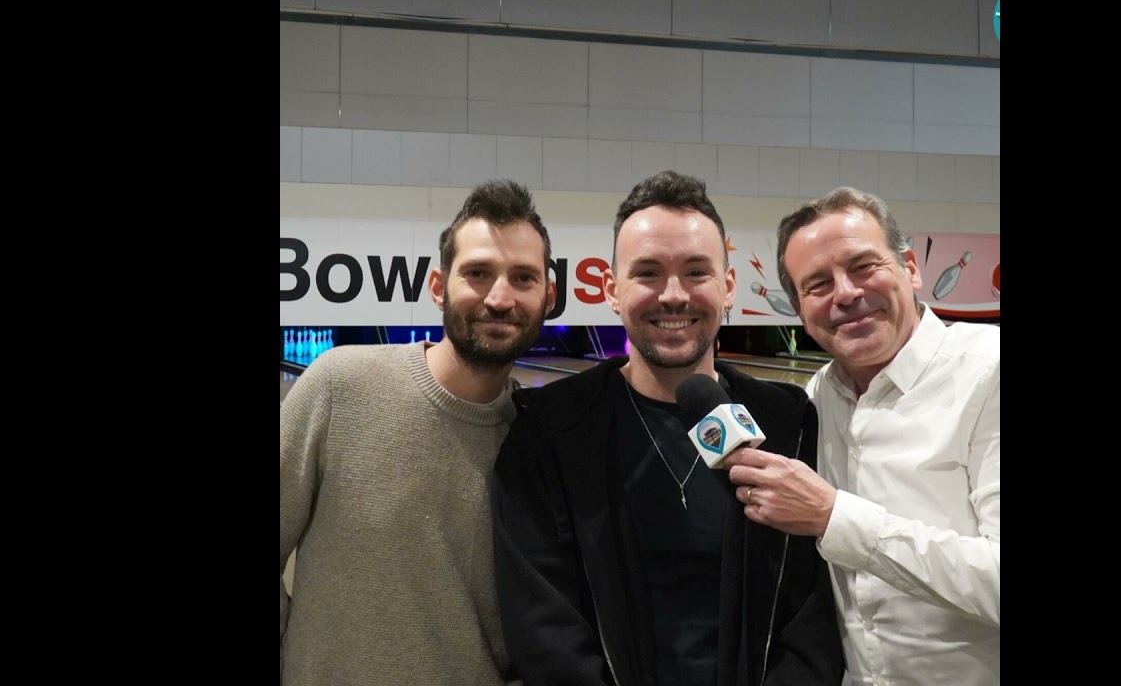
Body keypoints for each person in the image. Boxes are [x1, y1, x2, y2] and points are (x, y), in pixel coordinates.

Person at [490, 170, 844, 686]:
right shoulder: (550, 430)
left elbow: (812, 614)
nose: (673, 295)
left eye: (696, 272)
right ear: (611, 290)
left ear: (727, 287)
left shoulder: (787, 421)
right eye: (648, 272)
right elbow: (543, 629)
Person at [279, 179, 557, 685]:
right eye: (477, 273)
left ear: (548, 295)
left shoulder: (542, 440)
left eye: (523, 277)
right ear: (437, 286)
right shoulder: (339, 386)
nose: (500, 297)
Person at [721, 186, 1000, 685]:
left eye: (863, 266)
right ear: (799, 308)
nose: (846, 293)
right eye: (818, 284)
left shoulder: (989, 373)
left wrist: (834, 517)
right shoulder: (813, 399)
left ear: (910, 267)